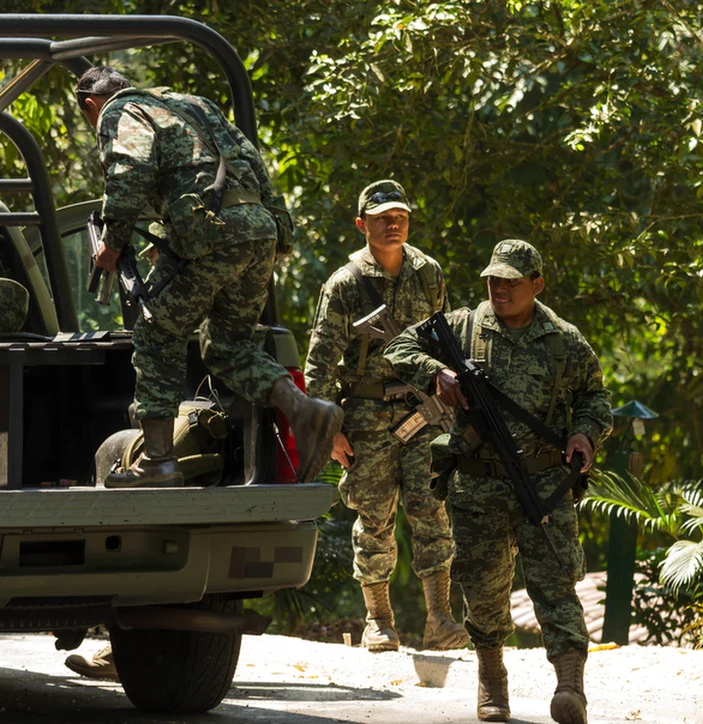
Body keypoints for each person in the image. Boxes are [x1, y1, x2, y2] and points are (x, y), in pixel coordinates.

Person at [77, 65, 342, 487]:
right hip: (259, 232)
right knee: (227, 345)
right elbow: (250, 163)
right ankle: (305, 410)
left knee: (157, 332)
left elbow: (130, 169)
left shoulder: (119, 111)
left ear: (91, 105)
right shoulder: (190, 104)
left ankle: (159, 462)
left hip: (213, 236)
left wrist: (112, 241)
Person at [384, 239, 612, 724]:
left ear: (537, 285)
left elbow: (596, 397)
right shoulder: (464, 327)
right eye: (493, 279)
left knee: (556, 583)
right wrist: (436, 372)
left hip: (544, 484)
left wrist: (584, 434)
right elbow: (396, 347)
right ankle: (492, 680)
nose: (499, 288)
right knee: (483, 590)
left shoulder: (564, 340)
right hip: (478, 484)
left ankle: (570, 686)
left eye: (511, 281)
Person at [303, 179, 468, 653]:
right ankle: (379, 622)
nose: (393, 224)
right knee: (373, 518)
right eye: (381, 218)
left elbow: (448, 340)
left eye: (399, 216)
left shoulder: (428, 273)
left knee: (432, 511)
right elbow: (319, 364)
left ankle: (440, 620)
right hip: (366, 418)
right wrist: (328, 430)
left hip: (424, 412)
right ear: (362, 225)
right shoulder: (344, 284)